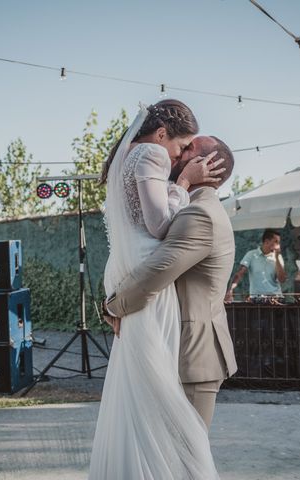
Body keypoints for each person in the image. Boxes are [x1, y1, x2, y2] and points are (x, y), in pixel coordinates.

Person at [89, 101, 226, 479]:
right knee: (155, 386)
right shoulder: (151, 152)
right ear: (162, 133)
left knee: (136, 384)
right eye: (182, 147)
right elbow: (159, 226)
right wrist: (181, 184)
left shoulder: (126, 156)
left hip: (125, 271)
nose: (182, 155)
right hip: (147, 276)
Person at [224, 229, 287, 302]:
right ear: (266, 241)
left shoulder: (278, 257)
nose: (278, 245)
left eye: (279, 242)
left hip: (275, 298)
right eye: (276, 241)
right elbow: (240, 273)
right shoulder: (251, 255)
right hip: (257, 299)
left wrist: (276, 257)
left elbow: (282, 279)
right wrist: (231, 290)